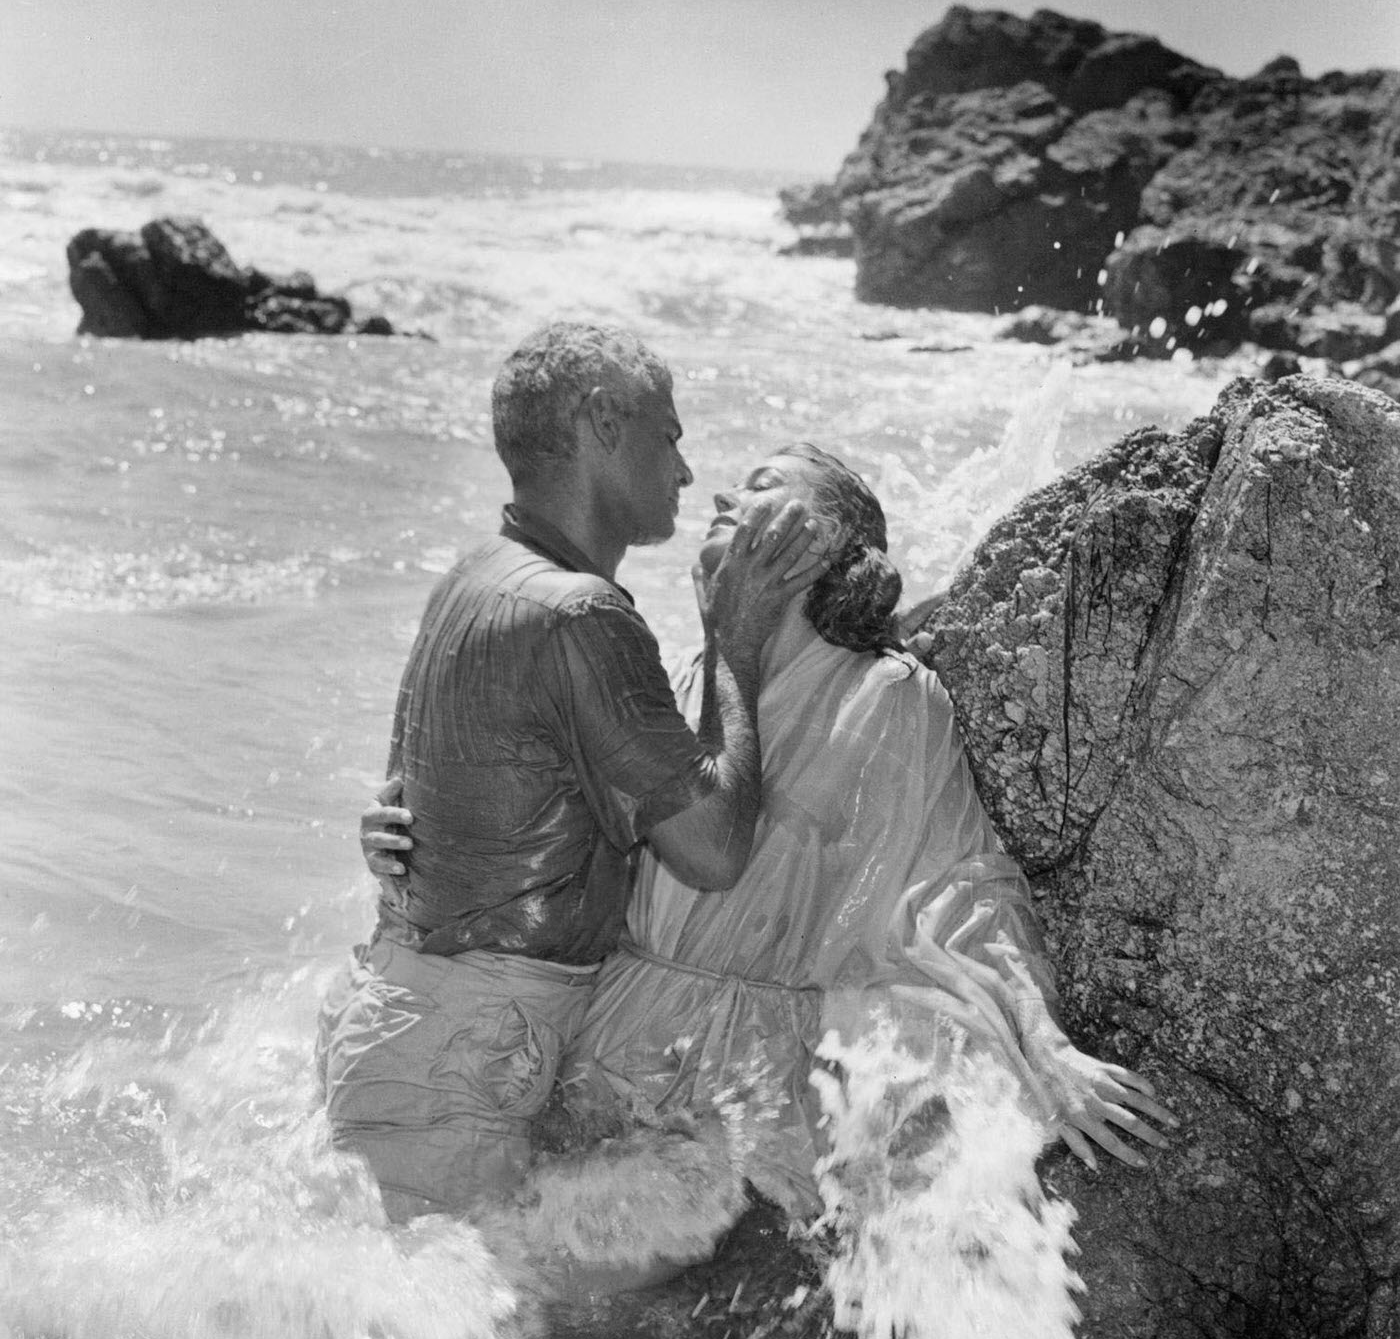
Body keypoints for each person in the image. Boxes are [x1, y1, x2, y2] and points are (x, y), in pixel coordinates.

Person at [362, 442, 1171, 1271]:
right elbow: (546, 827)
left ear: (821, 544)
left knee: (551, 1290)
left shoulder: (887, 696)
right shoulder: (673, 676)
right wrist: (402, 837)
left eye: (760, 488)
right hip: (595, 1026)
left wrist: (1044, 1046)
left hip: (739, 1077)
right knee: (469, 1265)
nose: (719, 491)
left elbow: (957, 887)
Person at [317, 322, 829, 1223]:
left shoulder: (477, 574)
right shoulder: (582, 614)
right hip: (457, 1052)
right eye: (667, 434)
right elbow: (712, 849)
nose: (680, 469)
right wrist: (734, 639)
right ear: (602, 423)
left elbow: (423, 804)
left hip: (405, 1013)